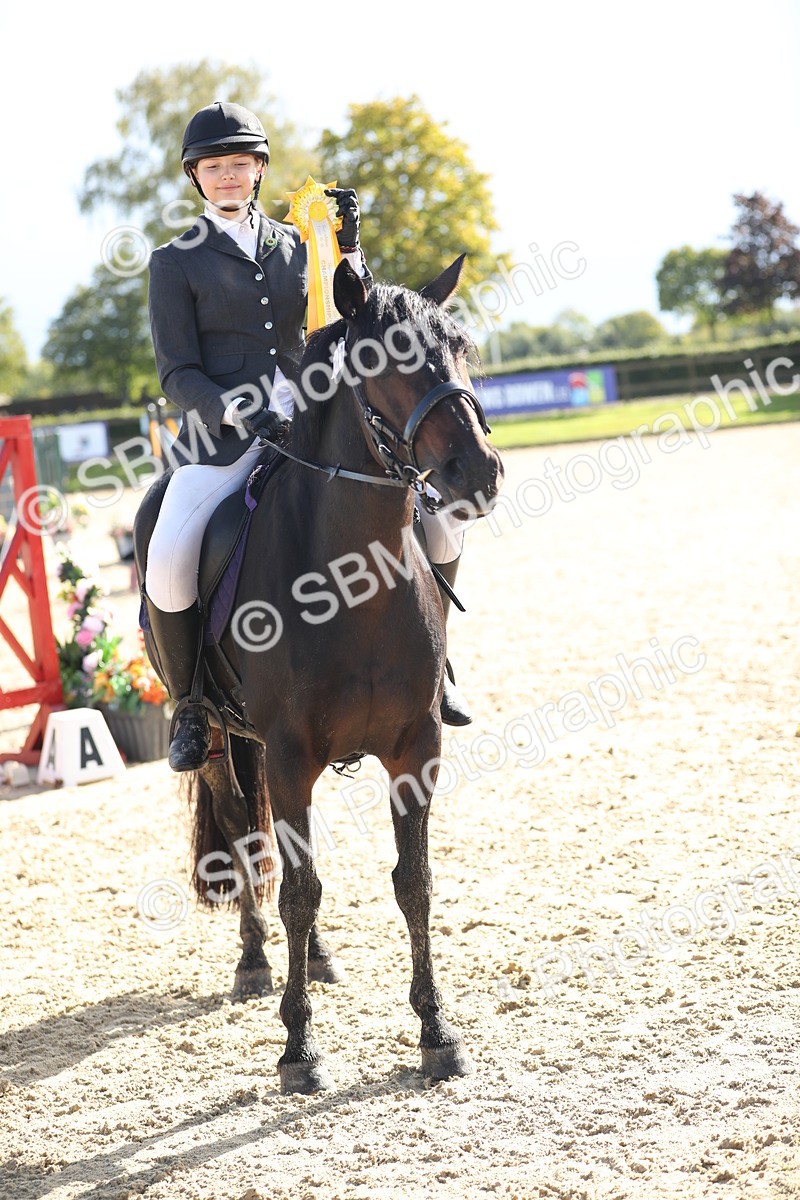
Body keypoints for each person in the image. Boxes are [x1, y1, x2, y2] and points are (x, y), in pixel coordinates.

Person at [144, 101, 473, 775]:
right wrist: (237, 410)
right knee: (171, 550)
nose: (229, 177)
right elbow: (178, 373)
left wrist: (349, 246)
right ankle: (190, 705)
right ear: (196, 177)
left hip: (316, 419)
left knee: (441, 523)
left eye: (241, 164)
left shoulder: (299, 241)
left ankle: (437, 663)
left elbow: (357, 312)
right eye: (215, 168)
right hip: (226, 438)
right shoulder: (173, 263)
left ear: (260, 169)